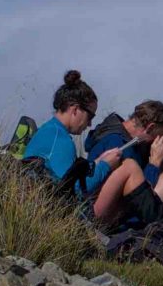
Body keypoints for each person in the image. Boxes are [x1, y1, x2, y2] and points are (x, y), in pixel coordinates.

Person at [92, 100, 163, 231]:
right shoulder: (117, 145)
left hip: (127, 210)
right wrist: (154, 163)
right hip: (120, 220)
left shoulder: (126, 135)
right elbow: (137, 195)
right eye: (161, 135)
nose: (161, 140)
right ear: (150, 127)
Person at [19, 72, 113, 202]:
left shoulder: (49, 130)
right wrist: (106, 165)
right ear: (75, 110)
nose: (90, 124)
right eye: (90, 116)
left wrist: (96, 163)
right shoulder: (60, 139)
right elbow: (76, 190)